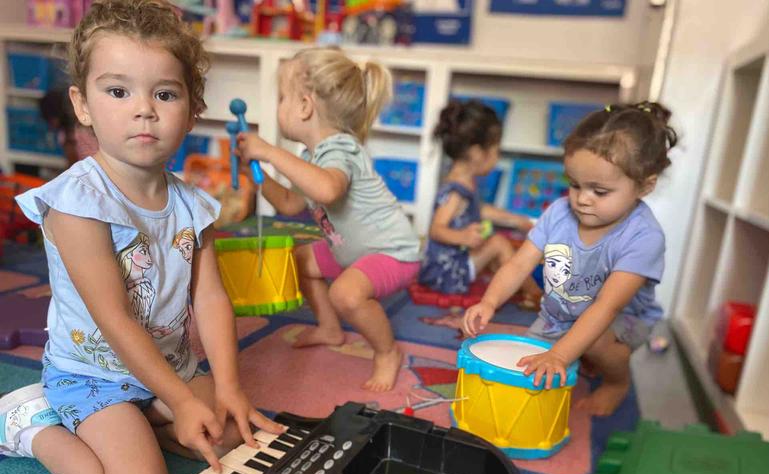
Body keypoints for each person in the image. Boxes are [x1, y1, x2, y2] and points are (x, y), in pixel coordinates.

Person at [0, 0, 285, 474]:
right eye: (118, 91)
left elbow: (210, 298)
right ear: (82, 105)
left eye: (165, 94)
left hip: (168, 364)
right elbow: (114, 320)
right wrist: (183, 401)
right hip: (93, 375)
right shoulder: (77, 203)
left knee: (237, 442)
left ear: (193, 110)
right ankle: (31, 425)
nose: (144, 109)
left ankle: (151, 417)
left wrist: (228, 387)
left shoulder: (194, 205)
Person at [463, 102, 677, 417]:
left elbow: (607, 306)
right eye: (575, 185)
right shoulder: (559, 212)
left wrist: (560, 356)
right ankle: (577, 349)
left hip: (622, 319)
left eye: (600, 192)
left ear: (645, 186)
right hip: (562, 310)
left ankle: (616, 382)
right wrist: (489, 301)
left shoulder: (644, 237)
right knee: (525, 365)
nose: (582, 199)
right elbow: (519, 264)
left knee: (595, 343)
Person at [236, 47, 421, 392]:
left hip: (392, 252)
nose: (278, 106)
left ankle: (387, 352)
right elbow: (291, 203)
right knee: (301, 259)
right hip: (350, 250)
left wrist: (270, 152)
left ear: (305, 106)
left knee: (346, 294)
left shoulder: (340, 148)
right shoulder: (311, 155)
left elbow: (328, 190)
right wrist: (256, 175)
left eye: (282, 98)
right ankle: (329, 328)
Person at [419, 99, 542, 308]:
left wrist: (516, 220)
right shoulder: (455, 191)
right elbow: (436, 230)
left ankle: (522, 287)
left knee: (496, 242)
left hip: (452, 265)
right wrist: (462, 236)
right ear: (477, 153)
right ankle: (536, 294)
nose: (497, 158)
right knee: (499, 243)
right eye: (496, 151)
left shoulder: (463, 182)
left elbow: (480, 210)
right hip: (446, 274)